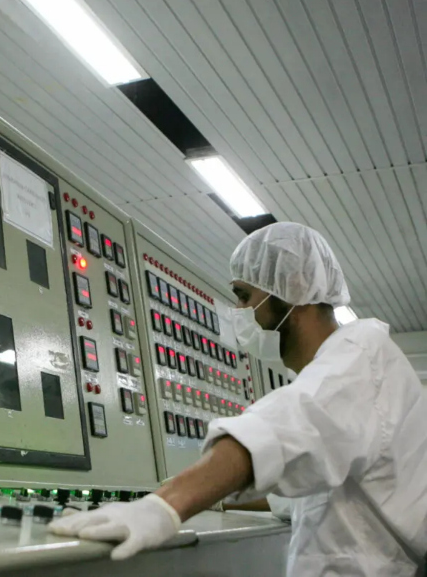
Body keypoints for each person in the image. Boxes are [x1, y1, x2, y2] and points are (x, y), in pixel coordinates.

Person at [49, 222, 427, 576]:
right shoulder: (352, 367)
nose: (240, 312)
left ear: (294, 287)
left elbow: (282, 430)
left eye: (245, 296)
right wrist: (216, 495)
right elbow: (308, 486)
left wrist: (161, 507)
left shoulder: (362, 354)